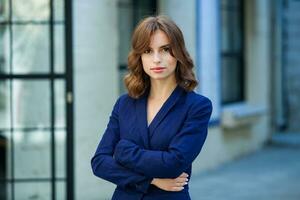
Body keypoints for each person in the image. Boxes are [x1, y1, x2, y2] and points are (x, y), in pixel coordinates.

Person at [91, 15, 212, 200]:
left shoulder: (197, 107)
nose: (156, 59)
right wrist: (151, 180)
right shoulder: (124, 104)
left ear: (178, 53)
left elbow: (174, 163)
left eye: (165, 50)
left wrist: (123, 151)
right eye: (148, 51)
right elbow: (100, 162)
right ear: (139, 57)